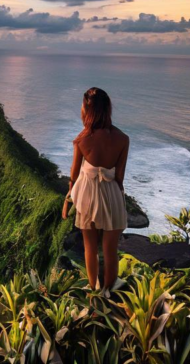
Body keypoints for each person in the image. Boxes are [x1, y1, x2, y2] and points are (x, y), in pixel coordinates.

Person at [62, 87, 128, 291]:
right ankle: (109, 289)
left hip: (88, 195)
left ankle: (93, 288)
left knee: (90, 247)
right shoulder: (123, 139)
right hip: (112, 194)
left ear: (87, 111)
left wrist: (67, 200)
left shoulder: (82, 140)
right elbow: (119, 177)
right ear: (108, 109)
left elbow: (73, 176)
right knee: (110, 249)